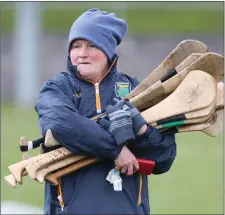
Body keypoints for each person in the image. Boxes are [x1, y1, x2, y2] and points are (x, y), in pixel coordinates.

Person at [35, 8, 177, 215]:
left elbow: (164, 158)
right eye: (76, 46)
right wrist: (116, 150)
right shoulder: (57, 88)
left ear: (108, 50)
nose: (82, 53)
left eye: (92, 45)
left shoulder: (137, 91)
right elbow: (61, 124)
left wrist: (142, 130)